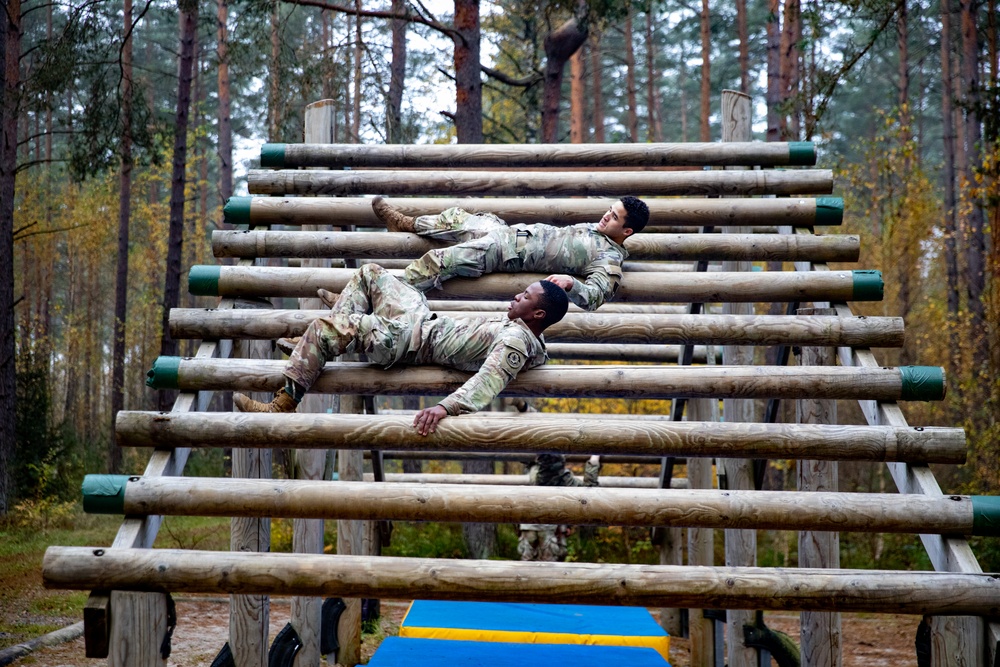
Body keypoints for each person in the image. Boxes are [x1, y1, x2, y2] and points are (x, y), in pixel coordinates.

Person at [233, 264, 569, 435]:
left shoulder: (516, 343)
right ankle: (340, 320)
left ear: (538, 314)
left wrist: (444, 409)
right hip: (420, 319)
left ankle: (284, 404)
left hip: (406, 341)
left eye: (524, 298)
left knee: (323, 329)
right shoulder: (523, 327)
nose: (516, 297)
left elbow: (487, 381)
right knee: (370, 273)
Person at [372, 195, 650, 312]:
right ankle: (405, 224)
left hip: (504, 253)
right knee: (456, 218)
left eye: (614, 217)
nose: (605, 217)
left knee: (438, 261)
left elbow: (594, 297)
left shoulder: (609, 260)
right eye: (609, 210)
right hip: (507, 233)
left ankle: (375, 298)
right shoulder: (598, 229)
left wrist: (571, 284)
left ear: (627, 232)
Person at [518, 453, 601, 562]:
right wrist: (594, 462)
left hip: (529, 526)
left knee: (527, 565)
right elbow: (589, 489)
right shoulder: (562, 476)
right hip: (548, 528)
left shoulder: (531, 470)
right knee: (549, 566)